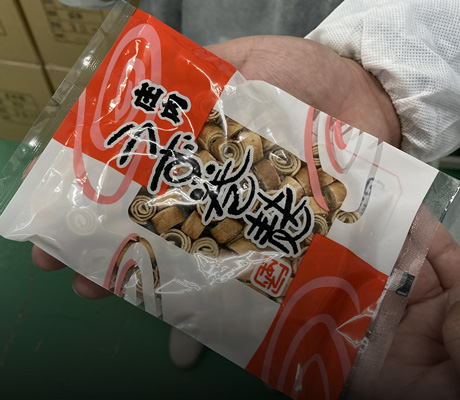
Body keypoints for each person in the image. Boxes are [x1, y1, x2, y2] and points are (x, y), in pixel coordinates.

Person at [39, 0, 460, 398]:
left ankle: (271, 325)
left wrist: (388, 79)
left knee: (309, 243)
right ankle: (201, 312)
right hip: (208, 79)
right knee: (193, 248)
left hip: (351, 83)